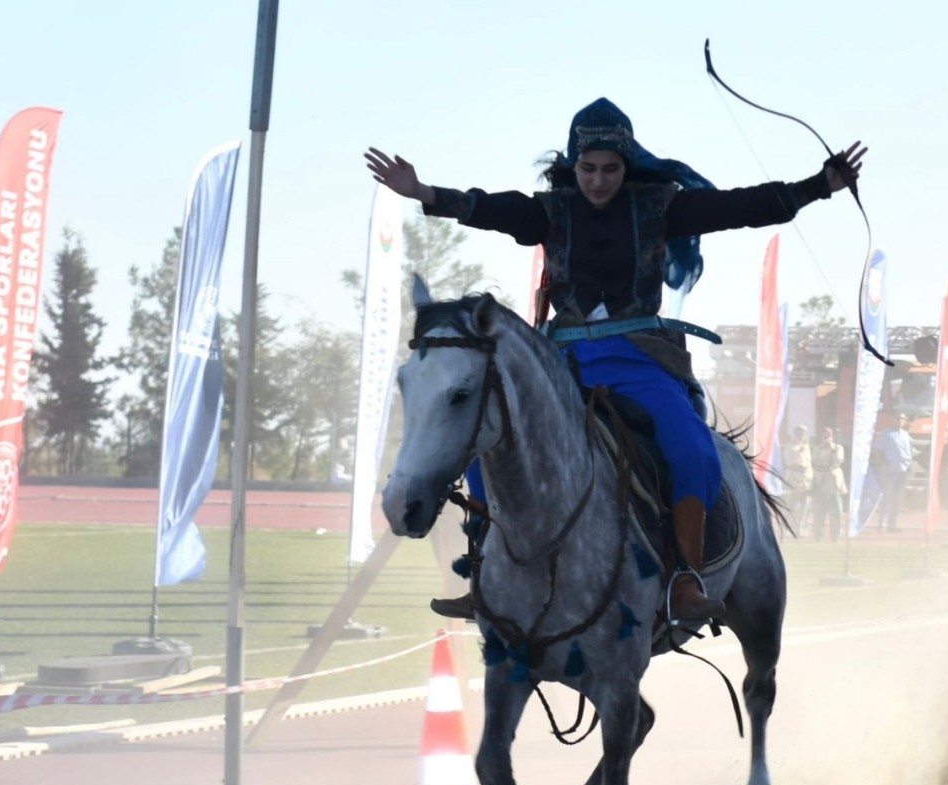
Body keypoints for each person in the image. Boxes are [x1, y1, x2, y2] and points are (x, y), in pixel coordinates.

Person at [366, 98, 865, 619]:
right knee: (482, 443)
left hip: (642, 362)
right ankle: (487, 574)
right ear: (572, 166)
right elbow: (486, 207)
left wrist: (818, 185)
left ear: (627, 167)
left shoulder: (661, 206)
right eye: (587, 169)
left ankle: (685, 579)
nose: (598, 181)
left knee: (692, 447)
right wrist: (424, 193)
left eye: (610, 169)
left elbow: (740, 208)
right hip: (560, 366)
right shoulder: (548, 211)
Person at [873, 412, 913, 532]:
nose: (900, 421)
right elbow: (877, 449)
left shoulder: (905, 435)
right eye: (898, 418)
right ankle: (882, 524)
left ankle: (892, 524)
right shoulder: (887, 433)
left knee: (898, 499)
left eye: (902, 419)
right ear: (893, 419)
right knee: (887, 497)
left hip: (902, 469)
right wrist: (884, 462)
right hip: (890, 470)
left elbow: (908, 452)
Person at [810, 426, 846, 540]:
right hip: (821, 480)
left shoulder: (838, 448)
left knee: (836, 510)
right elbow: (815, 460)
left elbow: (838, 460)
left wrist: (832, 448)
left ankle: (836, 535)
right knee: (819, 511)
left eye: (828, 435)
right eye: (824, 435)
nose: (825, 437)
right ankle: (818, 534)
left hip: (833, 480)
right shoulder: (817, 448)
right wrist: (823, 448)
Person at [783, 424, 813, 536]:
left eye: (803, 434)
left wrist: (809, 479)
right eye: (799, 434)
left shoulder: (807, 447)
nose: (801, 437)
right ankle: (789, 528)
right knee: (791, 505)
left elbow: (808, 464)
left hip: (805, 479)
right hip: (792, 478)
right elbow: (789, 461)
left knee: (805, 505)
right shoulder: (790, 446)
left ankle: (801, 528)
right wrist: (798, 450)